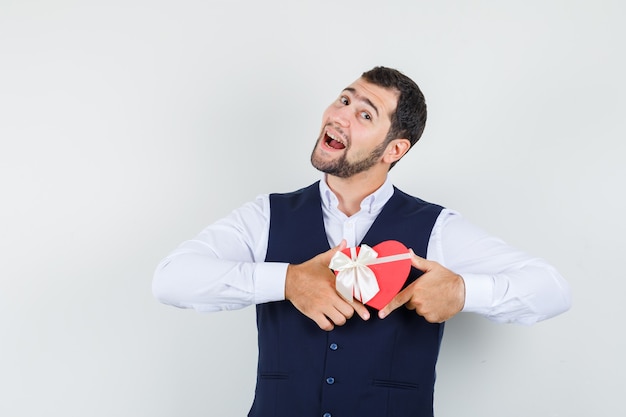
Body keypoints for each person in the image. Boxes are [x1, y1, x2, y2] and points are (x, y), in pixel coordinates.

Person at [152, 66, 571, 417]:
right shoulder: (265, 215)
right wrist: (287, 282)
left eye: (365, 115)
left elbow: (551, 289)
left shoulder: (438, 229)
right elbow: (171, 279)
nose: (340, 115)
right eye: (344, 100)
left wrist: (463, 291)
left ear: (394, 149)